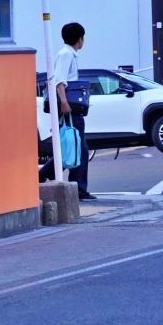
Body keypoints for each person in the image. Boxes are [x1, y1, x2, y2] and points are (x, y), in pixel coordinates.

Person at [39, 22, 92, 200]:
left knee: (74, 145)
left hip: (68, 105)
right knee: (78, 147)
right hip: (69, 105)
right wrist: (63, 102)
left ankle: (49, 175)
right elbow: (60, 80)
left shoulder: (67, 53)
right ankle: (78, 188)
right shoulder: (67, 54)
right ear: (80, 39)